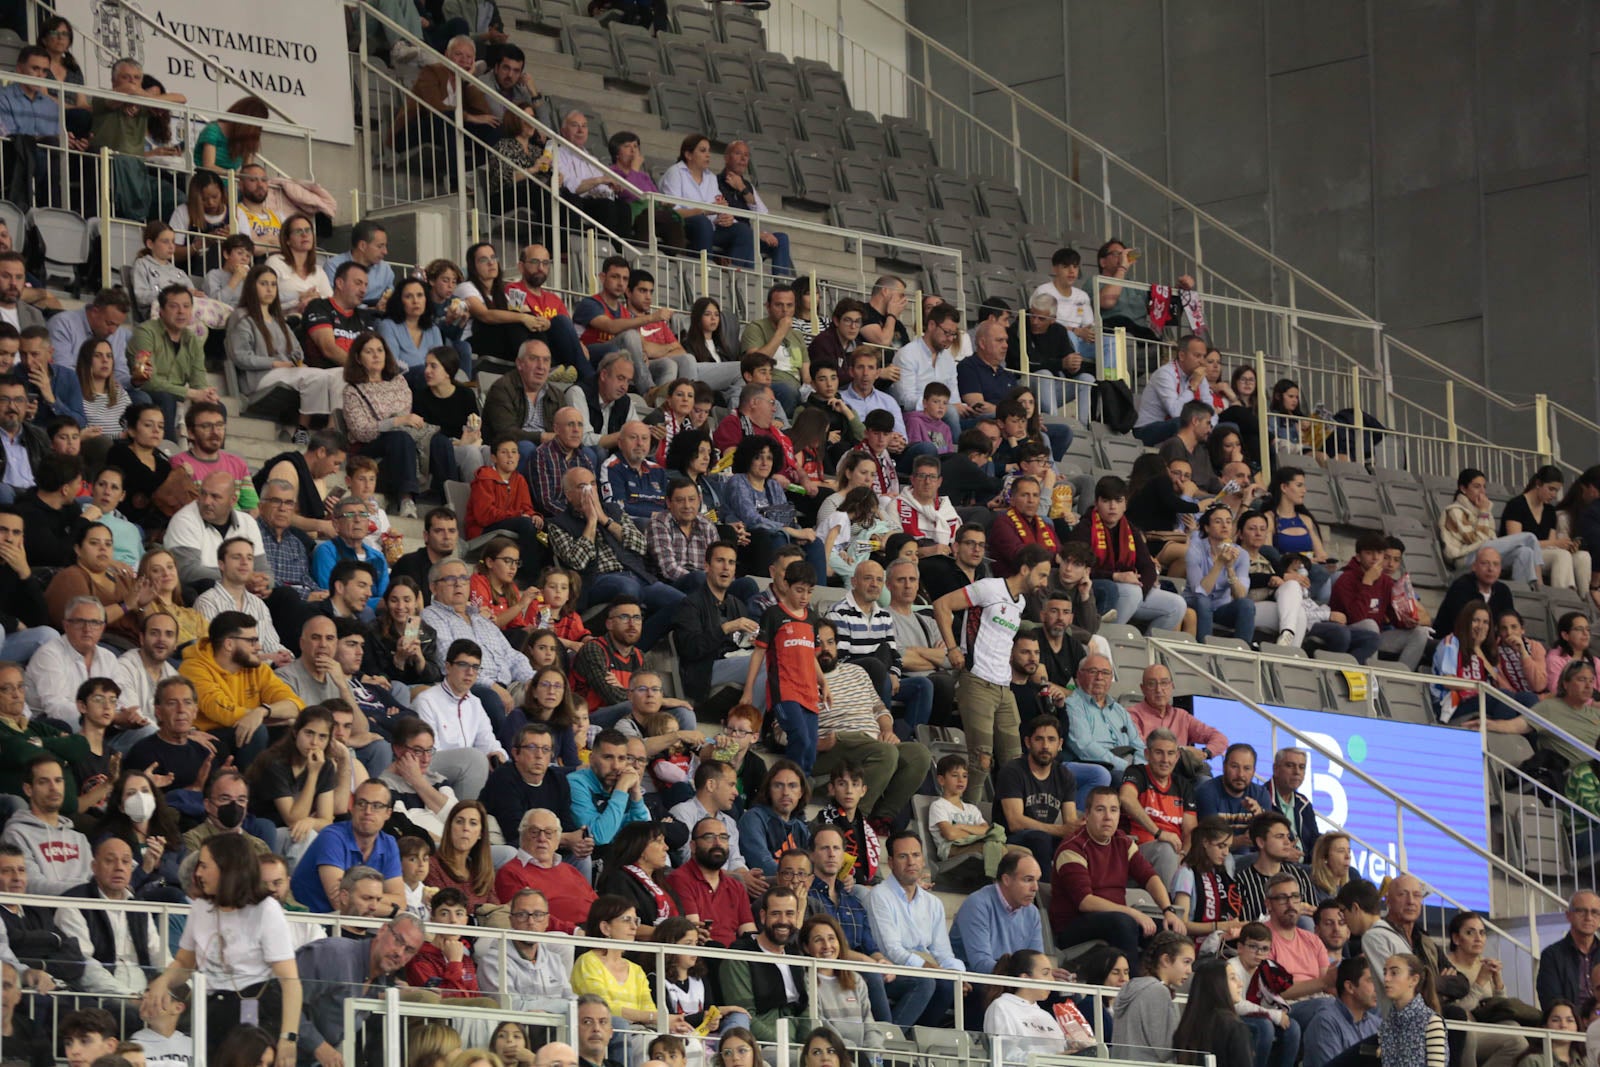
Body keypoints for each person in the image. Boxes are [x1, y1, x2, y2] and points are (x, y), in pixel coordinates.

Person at [140, 833, 301, 1059]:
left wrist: (288, 1037)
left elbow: (290, 981)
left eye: (204, 866)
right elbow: (185, 962)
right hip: (212, 1007)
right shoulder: (200, 908)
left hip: (256, 1008)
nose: (198, 873)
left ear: (227, 869)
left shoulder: (266, 910)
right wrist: (163, 981)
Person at [932, 543, 1054, 800]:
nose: (1044, 582)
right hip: (977, 680)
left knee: (1014, 761)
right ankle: (966, 817)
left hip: (1003, 687)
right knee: (981, 759)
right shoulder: (988, 588)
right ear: (1024, 569)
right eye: (1042, 574)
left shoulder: (1019, 603)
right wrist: (953, 648)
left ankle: (1006, 822)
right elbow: (942, 605)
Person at [811, 620, 934, 821]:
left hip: (872, 743)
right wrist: (819, 744)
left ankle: (882, 819)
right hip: (835, 745)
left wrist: (887, 730)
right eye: (819, 643)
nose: (825, 649)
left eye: (831, 642)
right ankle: (854, 819)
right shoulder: (800, 678)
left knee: (919, 754)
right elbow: (782, 731)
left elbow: (879, 709)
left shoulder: (857, 672)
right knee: (885, 752)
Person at [293, 914, 424, 1065]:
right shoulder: (333, 954)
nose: (400, 953)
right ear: (382, 930)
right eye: (398, 940)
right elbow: (280, 1000)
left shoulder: (380, 984)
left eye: (409, 950)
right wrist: (318, 1046)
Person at [866, 832, 964, 1027]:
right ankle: (894, 1038)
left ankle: (917, 1037)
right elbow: (891, 951)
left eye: (916, 855)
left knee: (951, 986)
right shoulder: (880, 896)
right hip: (892, 971)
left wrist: (957, 975)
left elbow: (943, 952)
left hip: (927, 969)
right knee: (929, 982)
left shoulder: (933, 903)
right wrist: (929, 969)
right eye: (903, 856)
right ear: (891, 862)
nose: (911, 862)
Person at [55, 835, 167, 996]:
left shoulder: (139, 906)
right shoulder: (74, 903)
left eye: (126, 861)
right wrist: (127, 997)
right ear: (94, 867)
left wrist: (177, 985)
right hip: (100, 997)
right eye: (110, 861)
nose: (119, 867)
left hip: (145, 995)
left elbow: (158, 954)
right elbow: (83, 964)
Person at [720, 886, 808, 1040]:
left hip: (796, 1040)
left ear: (797, 917)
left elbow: (806, 1008)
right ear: (762, 916)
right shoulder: (739, 956)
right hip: (759, 1045)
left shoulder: (796, 956)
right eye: (775, 914)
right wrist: (785, 1049)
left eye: (789, 914)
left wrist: (809, 1045)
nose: (783, 921)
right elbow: (744, 1014)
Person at [1119, 729, 1195, 888]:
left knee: (1218, 857)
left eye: (1170, 753)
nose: (1165, 760)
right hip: (1136, 850)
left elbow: (1190, 831)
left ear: (1177, 756)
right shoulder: (1137, 773)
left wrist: (1183, 855)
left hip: (1175, 853)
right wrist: (1159, 833)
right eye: (1159, 753)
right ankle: (1165, 908)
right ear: (1147, 754)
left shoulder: (1183, 785)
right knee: (1166, 850)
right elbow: (1126, 798)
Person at [1440, 468, 1543, 584]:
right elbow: (1475, 540)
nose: (1482, 491)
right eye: (1477, 487)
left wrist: (1484, 512)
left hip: (1486, 553)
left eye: (1484, 487)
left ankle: (1522, 593)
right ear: (1463, 489)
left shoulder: (1483, 509)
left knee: (1525, 552)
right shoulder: (1454, 511)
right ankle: (1540, 583)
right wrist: (1484, 512)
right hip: (1465, 558)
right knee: (1529, 537)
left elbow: (1491, 537)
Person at [1109, 931, 1194, 1062]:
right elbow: (1166, 1051)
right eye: (1186, 962)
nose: (1189, 970)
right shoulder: (1157, 991)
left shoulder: (1130, 987)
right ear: (1165, 960)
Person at [1504, 466, 1588, 594]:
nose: (1554, 495)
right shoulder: (1516, 505)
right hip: (1523, 554)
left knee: (1583, 556)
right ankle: (1562, 598)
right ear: (1538, 484)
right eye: (1551, 489)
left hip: (1543, 554)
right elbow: (1516, 542)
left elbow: (1551, 544)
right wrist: (1555, 544)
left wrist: (1566, 545)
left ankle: (1585, 599)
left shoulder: (1549, 511)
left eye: (1557, 491)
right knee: (1561, 555)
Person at [719, 140, 793, 274]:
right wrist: (757, 234)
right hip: (728, 234)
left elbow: (762, 214)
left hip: (749, 234)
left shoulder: (747, 185)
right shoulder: (715, 181)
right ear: (726, 157)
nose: (743, 159)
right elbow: (722, 216)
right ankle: (747, 282)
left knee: (781, 238)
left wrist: (742, 189)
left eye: (746, 155)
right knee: (746, 234)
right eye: (738, 153)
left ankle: (781, 286)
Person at [1172, 957, 1255, 1067]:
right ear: (1216, 984)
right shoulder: (1235, 1027)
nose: (1240, 984)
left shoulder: (1187, 1025)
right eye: (1233, 978)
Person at [1301, 956, 1381, 1067]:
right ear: (1350, 987)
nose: (1377, 988)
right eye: (1371, 981)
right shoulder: (1325, 1023)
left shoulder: (1376, 1024)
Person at [1378, 954, 1447, 1067]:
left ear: (1414, 980)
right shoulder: (1386, 1024)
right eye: (1385, 973)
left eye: (1394, 973)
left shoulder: (1431, 1022)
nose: (1386, 978)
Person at [1536, 891, 1600, 1010]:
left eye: (1595, 912)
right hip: (1570, 1024)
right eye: (1581, 911)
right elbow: (1551, 1002)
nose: (1588, 918)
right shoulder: (1552, 955)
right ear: (1568, 915)